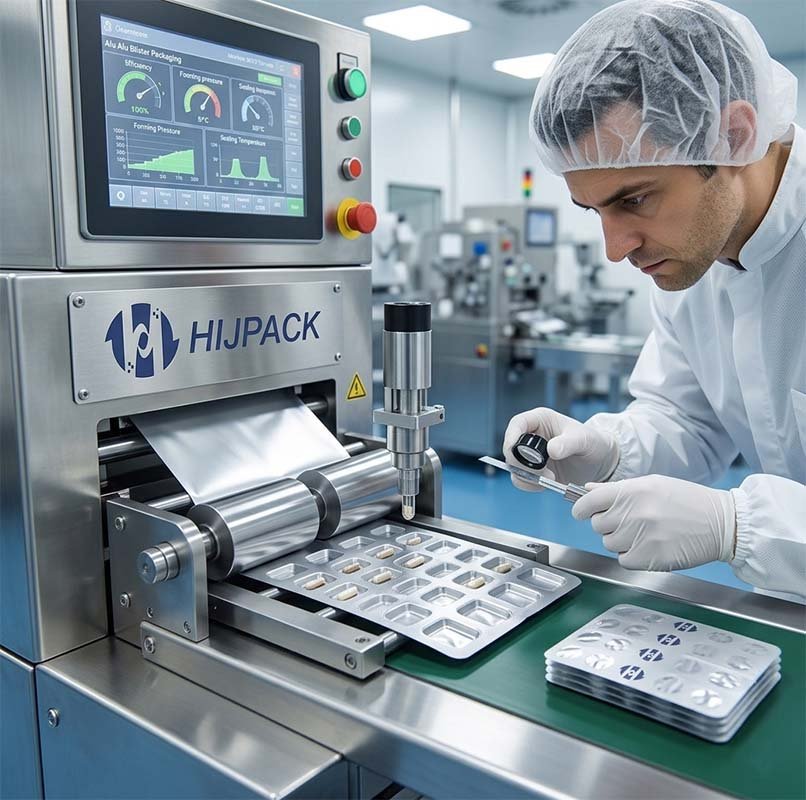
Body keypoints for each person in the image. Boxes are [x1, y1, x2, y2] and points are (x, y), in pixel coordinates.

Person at [504, 0, 805, 601]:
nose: (617, 249)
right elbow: (688, 420)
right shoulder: (695, 263)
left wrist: (740, 525)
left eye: (634, 200)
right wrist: (607, 450)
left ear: (735, 136)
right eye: (595, 211)